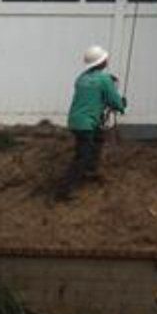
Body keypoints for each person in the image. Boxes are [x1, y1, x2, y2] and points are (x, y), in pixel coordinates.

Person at [56, 44, 126, 200]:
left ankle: (91, 170)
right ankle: (65, 190)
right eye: (105, 58)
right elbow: (114, 101)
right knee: (82, 156)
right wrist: (121, 105)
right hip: (86, 123)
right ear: (101, 62)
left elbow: (91, 96)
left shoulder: (81, 78)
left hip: (76, 121)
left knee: (98, 138)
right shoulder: (104, 79)